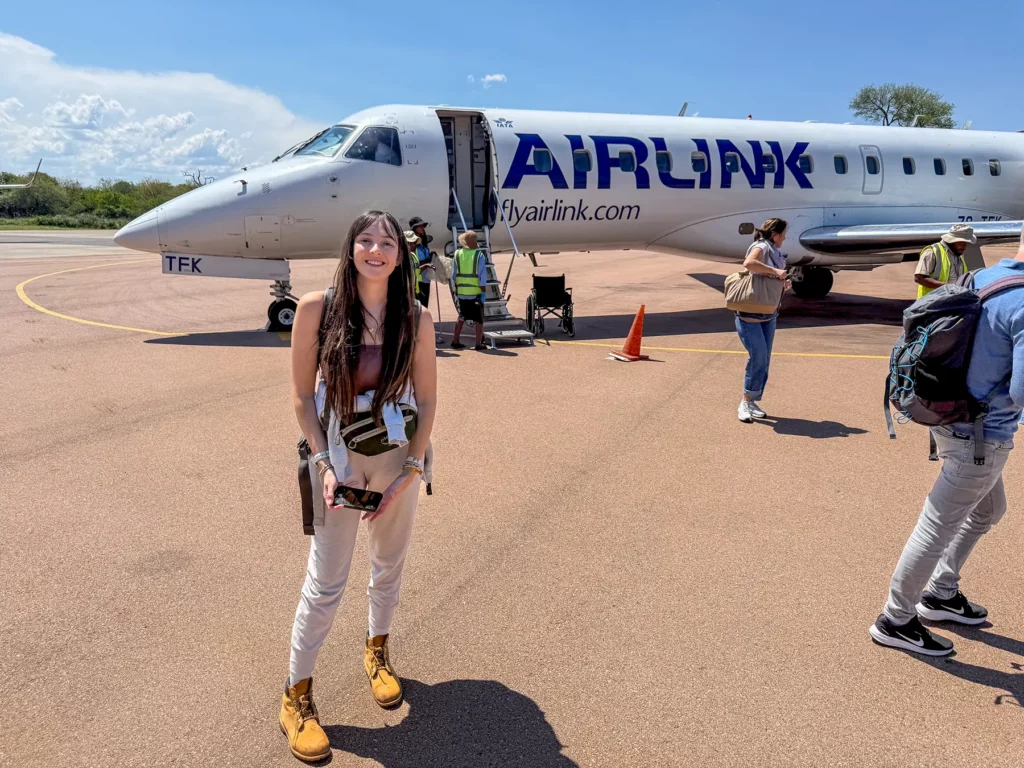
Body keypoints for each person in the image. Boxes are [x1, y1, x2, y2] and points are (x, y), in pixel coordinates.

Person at [280, 210, 437, 761]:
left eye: (387, 243)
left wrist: (413, 469)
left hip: (397, 459)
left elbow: (429, 397)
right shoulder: (317, 310)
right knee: (326, 580)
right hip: (340, 459)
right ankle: (296, 696)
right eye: (365, 240)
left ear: (400, 256)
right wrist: (324, 463)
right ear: (351, 250)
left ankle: (377, 649)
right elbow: (302, 397)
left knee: (389, 565)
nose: (376, 250)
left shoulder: (415, 316)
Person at [869, 227, 1024, 656]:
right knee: (937, 525)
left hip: (947, 415)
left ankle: (941, 591)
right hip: (981, 436)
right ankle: (896, 619)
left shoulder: (982, 277)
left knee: (990, 510)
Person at [734, 218, 790, 423]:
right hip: (750, 314)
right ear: (775, 235)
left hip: (769, 313)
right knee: (757, 357)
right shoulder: (761, 247)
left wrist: (782, 281)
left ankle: (752, 399)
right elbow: (749, 264)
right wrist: (776, 272)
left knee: (764, 360)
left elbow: (767, 276)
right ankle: (745, 401)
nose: (785, 238)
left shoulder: (773, 251)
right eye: (783, 234)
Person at [914, 223, 975, 298]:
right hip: (931, 304)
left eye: (966, 243)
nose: (965, 246)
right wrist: (948, 287)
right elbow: (919, 278)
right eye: (962, 243)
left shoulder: (959, 254)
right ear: (953, 241)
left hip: (952, 302)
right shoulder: (932, 252)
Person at [450, 230, 488, 350]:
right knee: (479, 320)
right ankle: (478, 343)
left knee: (461, 317)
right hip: (475, 293)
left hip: (461, 292)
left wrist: (456, 289)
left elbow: (453, 275)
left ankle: (455, 340)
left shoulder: (457, 254)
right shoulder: (479, 255)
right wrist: (483, 293)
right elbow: (482, 277)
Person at [409, 216, 433, 307]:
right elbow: (414, 263)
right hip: (417, 281)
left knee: (424, 305)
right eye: (420, 226)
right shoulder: (412, 245)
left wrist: (431, 255)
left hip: (425, 279)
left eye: (423, 226)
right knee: (419, 306)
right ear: (414, 228)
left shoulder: (423, 242)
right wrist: (426, 263)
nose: (423, 228)